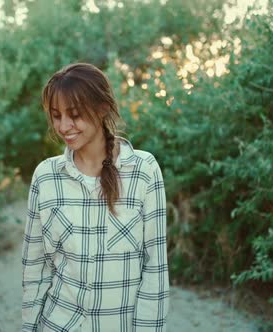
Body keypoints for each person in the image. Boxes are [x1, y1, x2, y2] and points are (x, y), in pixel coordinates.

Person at [21, 63, 169, 331]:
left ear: (102, 108)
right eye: (56, 116)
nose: (64, 126)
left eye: (74, 114)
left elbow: (155, 270)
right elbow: (36, 269)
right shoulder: (45, 176)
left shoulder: (144, 171)